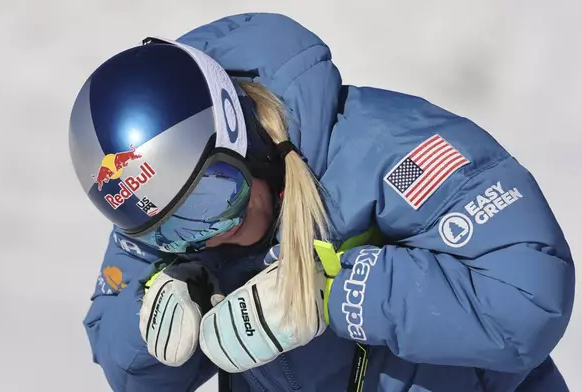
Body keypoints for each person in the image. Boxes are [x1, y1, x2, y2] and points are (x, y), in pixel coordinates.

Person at [68, 12, 575, 392]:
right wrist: (158, 320)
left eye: (214, 196)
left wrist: (331, 293)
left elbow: (526, 303)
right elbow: (127, 371)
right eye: (165, 233)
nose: (207, 235)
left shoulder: (383, 150)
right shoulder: (157, 202)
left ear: (243, 140)